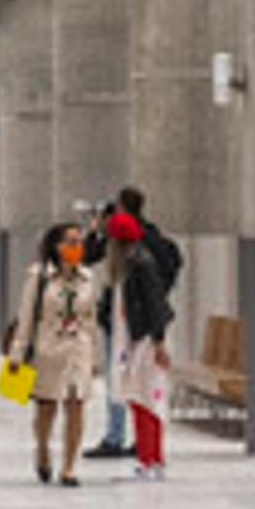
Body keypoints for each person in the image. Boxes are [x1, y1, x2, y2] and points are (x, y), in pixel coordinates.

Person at [5, 218, 112, 487]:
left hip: (78, 348)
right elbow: (26, 316)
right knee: (47, 406)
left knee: (76, 406)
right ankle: (42, 451)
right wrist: (17, 354)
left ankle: (69, 467)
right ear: (57, 246)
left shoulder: (87, 277)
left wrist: (95, 356)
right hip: (48, 349)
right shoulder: (39, 276)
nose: (77, 247)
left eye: (80, 242)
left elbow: (91, 317)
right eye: (72, 242)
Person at [84, 186, 182, 459]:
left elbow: (87, 255)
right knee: (143, 390)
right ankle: (144, 448)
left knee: (126, 383)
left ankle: (123, 440)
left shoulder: (128, 243)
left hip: (134, 327)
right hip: (141, 323)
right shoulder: (154, 236)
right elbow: (173, 263)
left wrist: (94, 230)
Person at [104, 206, 176, 480]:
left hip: (146, 340)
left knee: (144, 400)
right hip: (143, 338)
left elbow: (155, 304)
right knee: (144, 400)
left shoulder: (139, 265)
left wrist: (158, 342)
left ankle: (150, 460)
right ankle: (152, 459)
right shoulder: (135, 263)